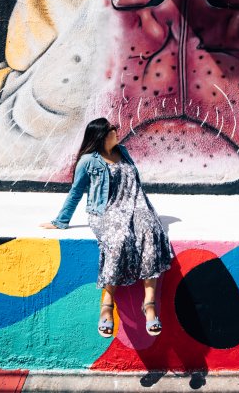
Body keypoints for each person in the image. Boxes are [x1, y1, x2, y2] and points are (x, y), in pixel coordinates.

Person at [40, 117, 174, 338]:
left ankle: (149, 304)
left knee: (150, 233)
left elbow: (134, 183)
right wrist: (60, 221)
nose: (117, 130)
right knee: (119, 239)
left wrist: (141, 211)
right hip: (106, 211)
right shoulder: (88, 161)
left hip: (136, 204)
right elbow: (76, 191)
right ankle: (107, 304)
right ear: (102, 135)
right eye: (112, 129)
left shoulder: (123, 151)